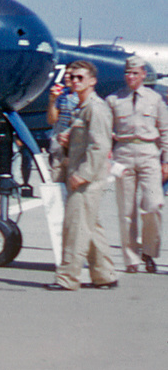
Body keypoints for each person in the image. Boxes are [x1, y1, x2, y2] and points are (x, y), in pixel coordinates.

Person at [48, 61, 117, 291]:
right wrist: (67, 138)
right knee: (90, 226)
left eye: (80, 77)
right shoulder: (83, 107)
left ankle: (67, 278)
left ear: (92, 81)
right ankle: (104, 275)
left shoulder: (96, 108)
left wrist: (83, 175)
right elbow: (85, 136)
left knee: (75, 227)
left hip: (86, 178)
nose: (75, 81)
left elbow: (100, 146)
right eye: (72, 77)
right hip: (80, 174)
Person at [106, 55, 168, 274]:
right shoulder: (114, 99)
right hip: (123, 153)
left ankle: (149, 252)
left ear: (143, 74)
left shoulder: (155, 99)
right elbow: (105, 131)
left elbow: (165, 131)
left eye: (135, 73)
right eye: (127, 73)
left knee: (154, 205)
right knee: (126, 210)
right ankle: (131, 259)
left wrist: (166, 162)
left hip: (149, 153)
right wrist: (107, 157)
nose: (130, 77)